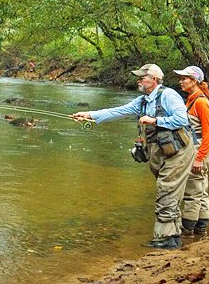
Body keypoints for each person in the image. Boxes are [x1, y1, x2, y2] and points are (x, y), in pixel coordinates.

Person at [72, 63, 195, 250]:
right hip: (163, 152)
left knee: (166, 190)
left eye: (142, 77)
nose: (138, 80)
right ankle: (174, 235)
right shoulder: (143, 101)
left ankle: (166, 238)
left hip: (179, 152)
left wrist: (155, 120)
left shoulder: (169, 95)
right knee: (169, 191)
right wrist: (89, 115)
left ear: (154, 80)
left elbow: (182, 119)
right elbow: (118, 111)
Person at [174, 65, 209, 237]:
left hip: (198, 150)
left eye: (184, 78)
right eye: (181, 78)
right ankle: (201, 230)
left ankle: (188, 231)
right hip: (197, 148)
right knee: (201, 189)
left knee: (192, 190)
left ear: (195, 81)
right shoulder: (192, 99)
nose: (180, 81)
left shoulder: (200, 101)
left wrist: (199, 158)